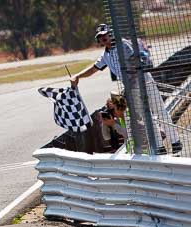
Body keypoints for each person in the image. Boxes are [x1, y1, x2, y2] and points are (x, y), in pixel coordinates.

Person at [70, 23, 182, 154]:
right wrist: (78, 76)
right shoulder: (105, 55)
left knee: (159, 110)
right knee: (146, 117)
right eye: (100, 36)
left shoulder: (123, 44)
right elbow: (94, 68)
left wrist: (133, 75)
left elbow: (138, 59)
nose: (103, 38)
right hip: (131, 88)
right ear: (98, 40)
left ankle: (175, 142)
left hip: (144, 81)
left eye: (105, 34)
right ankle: (159, 146)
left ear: (110, 33)